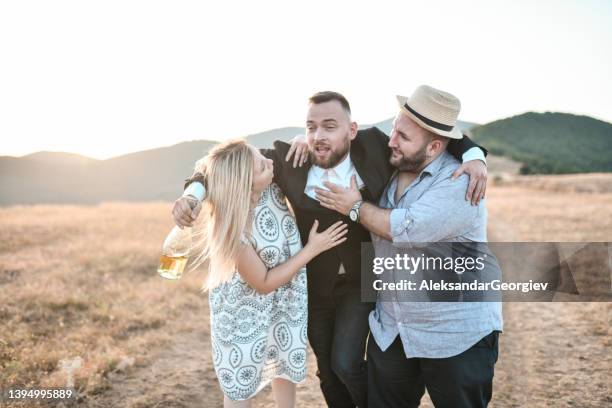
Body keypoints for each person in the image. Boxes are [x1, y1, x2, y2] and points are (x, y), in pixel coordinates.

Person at [174, 91, 488, 407]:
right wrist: (193, 194)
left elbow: (440, 135)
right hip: (313, 284)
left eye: (329, 126)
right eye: (311, 127)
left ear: (351, 130)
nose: (318, 136)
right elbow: (222, 163)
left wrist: (475, 154)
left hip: (361, 281)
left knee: (346, 361)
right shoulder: (288, 159)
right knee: (327, 370)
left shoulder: (377, 147)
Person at [312, 85, 503, 408]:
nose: (391, 141)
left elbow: (406, 228)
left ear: (435, 147)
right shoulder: (392, 164)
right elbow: (336, 142)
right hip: (394, 329)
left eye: (403, 136)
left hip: (455, 335)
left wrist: (354, 208)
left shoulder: (459, 182)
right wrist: (307, 142)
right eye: (394, 130)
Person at [188, 139, 348, 407]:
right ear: (245, 182)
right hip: (245, 317)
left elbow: (211, 165)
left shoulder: (271, 188)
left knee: (283, 366)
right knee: (241, 383)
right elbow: (263, 282)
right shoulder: (231, 230)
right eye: (262, 165)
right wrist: (312, 249)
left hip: (284, 303)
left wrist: (300, 139)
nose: (271, 164)